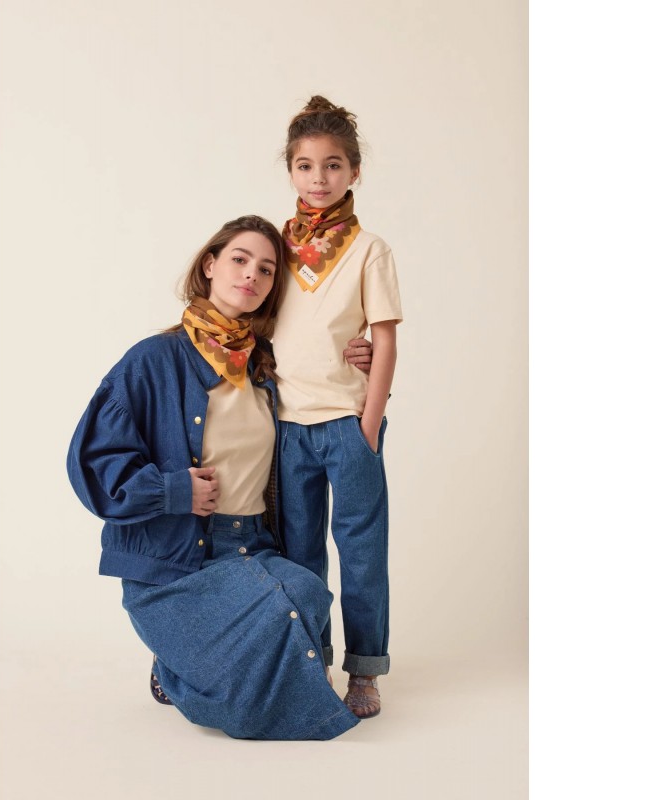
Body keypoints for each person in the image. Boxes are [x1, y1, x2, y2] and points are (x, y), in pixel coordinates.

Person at [67, 215, 361, 740]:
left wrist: (359, 359)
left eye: (266, 270)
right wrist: (172, 491)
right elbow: (92, 462)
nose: (252, 275)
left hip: (253, 547)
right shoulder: (153, 360)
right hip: (178, 562)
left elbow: (325, 389)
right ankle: (180, 671)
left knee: (310, 595)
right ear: (209, 265)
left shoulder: (268, 365)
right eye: (240, 259)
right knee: (275, 630)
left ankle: (188, 662)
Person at [274, 96, 403, 719]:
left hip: (347, 426)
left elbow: (385, 340)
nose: (318, 178)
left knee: (361, 555)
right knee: (299, 556)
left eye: (332, 165)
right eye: (305, 166)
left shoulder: (369, 249)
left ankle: (366, 670)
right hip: (285, 427)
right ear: (290, 171)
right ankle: (312, 662)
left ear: (354, 171)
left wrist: (368, 425)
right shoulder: (274, 248)